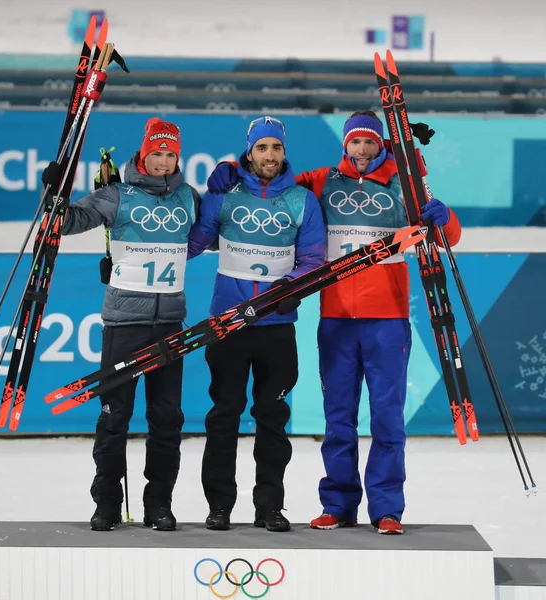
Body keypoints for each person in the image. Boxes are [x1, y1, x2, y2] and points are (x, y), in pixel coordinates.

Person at [206, 110, 462, 534]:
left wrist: (442, 214)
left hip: (389, 319)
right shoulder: (323, 180)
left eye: (370, 142)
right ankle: (338, 504)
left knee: (386, 417)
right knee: (338, 417)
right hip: (337, 319)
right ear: (345, 145)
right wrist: (232, 167)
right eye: (355, 142)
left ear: (381, 145)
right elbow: (274, 184)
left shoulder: (403, 184)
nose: (362, 150)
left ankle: (386, 509)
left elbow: (447, 236)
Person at [41, 118, 200, 532]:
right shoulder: (117, 195)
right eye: (156, 154)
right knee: (115, 417)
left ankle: (158, 505)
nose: (163, 162)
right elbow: (69, 221)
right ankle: (107, 503)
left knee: (167, 419)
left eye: (170, 155)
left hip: (170, 325)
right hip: (124, 324)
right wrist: (53, 194)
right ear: (142, 155)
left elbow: (215, 234)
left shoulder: (189, 197)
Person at [188, 116, 325, 532]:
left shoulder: (303, 201)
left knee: (272, 419)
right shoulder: (224, 197)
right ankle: (219, 506)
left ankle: (269, 506)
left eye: (277, 148)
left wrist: (284, 291)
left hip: (277, 328)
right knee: (224, 416)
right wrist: (194, 199)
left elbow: (314, 261)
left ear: (285, 152)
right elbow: (189, 245)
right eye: (262, 148)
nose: (270, 155)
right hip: (228, 325)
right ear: (249, 152)